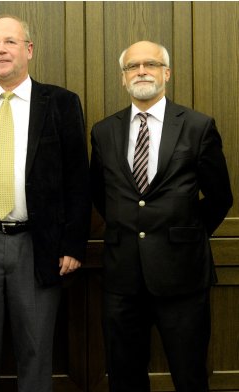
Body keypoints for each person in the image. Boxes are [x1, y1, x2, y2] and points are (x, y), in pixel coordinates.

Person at [0, 15, 90, 392]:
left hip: (38, 247)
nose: (1, 49)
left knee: (36, 353)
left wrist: (73, 244)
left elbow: (78, 180)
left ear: (29, 50)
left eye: (9, 41)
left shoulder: (60, 103)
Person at [90, 40, 233, 392]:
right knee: (124, 379)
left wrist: (187, 233)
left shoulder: (198, 126)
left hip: (182, 276)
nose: (141, 71)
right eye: (132, 66)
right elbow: (100, 195)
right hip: (122, 278)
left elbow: (220, 197)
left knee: (189, 376)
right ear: (123, 78)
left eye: (150, 64)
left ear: (166, 73)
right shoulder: (104, 131)